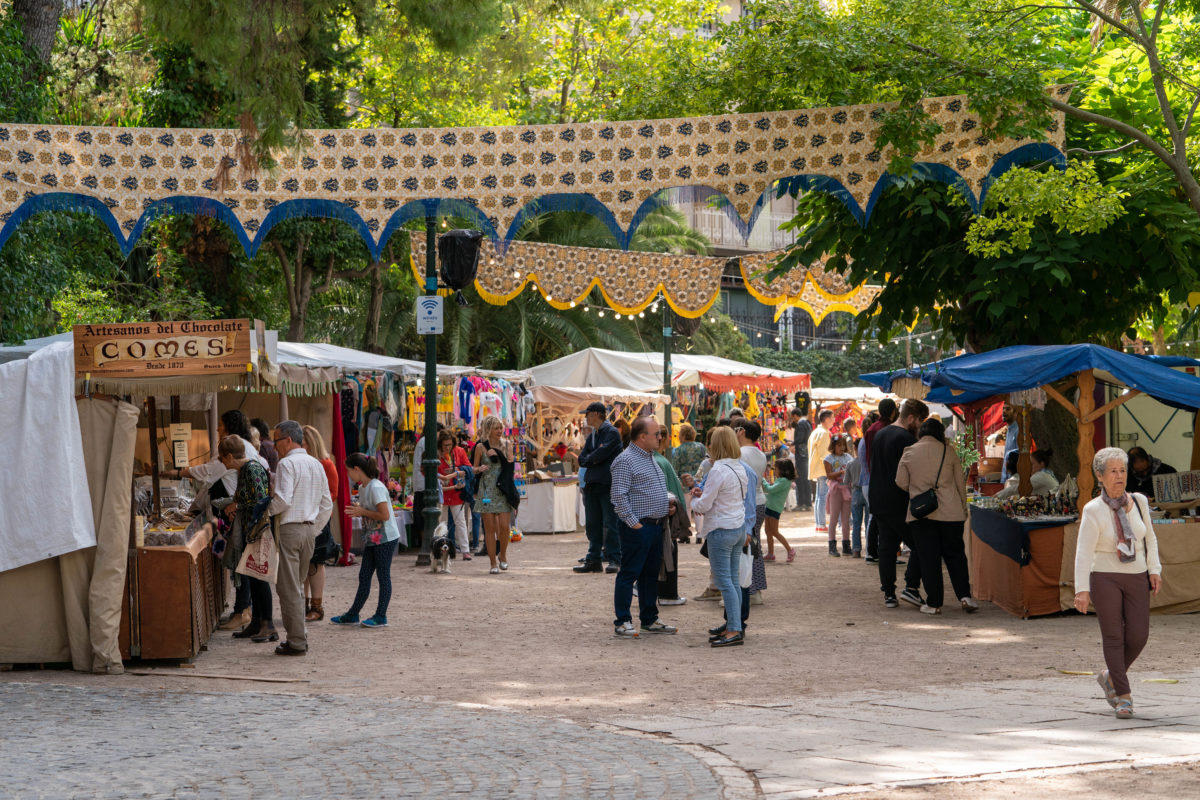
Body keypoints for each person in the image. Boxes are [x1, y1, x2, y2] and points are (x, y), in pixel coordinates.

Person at [1074, 447, 1163, 719]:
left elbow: (1150, 538)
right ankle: (1124, 697)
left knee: (1138, 635)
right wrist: (1082, 590)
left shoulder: (1139, 501)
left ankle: (1110, 676)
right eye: (1112, 471)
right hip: (1104, 577)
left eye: (1122, 470)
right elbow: (1083, 552)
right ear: (1100, 477)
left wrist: (1154, 569)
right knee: (1113, 637)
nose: (1119, 476)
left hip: (1136, 574)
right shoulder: (1093, 509)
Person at [167, 409, 267, 632]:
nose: (218, 428)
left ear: (230, 458)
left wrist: (172, 473)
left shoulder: (236, 451)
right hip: (239, 517)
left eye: (220, 425)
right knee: (242, 563)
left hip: (240, 520)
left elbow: (208, 472)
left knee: (242, 564)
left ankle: (246, 613)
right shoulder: (246, 449)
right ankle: (247, 612)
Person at [896, 418, 979, 615]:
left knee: (928, 558)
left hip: (921, 514)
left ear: (921, 433)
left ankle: (934, 603)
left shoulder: (909, 451)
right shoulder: (948, 451)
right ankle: (965, 596)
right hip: (951, 512)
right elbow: (960, 482)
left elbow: (900, 482)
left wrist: (917, 489)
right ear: (940, 433)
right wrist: (963, 508)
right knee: (956, 555)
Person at [268, 420, 333, 655]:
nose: (274, 447)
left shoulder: (287, 463)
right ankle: (299, 635)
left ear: (287, 440)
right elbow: (327, 503)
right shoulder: (316, 463)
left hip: (291, 529)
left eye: (276, 441)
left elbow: (283, 500)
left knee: (289, 588)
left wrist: (265, 510)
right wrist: (314, 528)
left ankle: (296, 641)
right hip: (308, 531)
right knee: (295, 586)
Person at [609, 416, 678, 638]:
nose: (660, 437)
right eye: (656, 434)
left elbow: (647, 491)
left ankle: (649, 618)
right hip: (639, 527)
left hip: (655, 526)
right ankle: (623, 620)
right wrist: (634, 524)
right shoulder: (625, 460)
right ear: (642, 437)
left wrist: (666, 506)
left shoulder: (651, 458)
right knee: (629, 573)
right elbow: (618, 496)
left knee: (649, 575)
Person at [688, 426, 750, 648]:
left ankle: (733, 629)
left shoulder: (718, 470)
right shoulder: (739, 467)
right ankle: (735, 625)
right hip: (737, 527)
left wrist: (694, 500)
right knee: (733, 580)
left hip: (721, 529)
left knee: (725, 581)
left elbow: (704, 505)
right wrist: (702, 494)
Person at [869, 399, 929, 609]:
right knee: (922, 544)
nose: (920, 427)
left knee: (886, 547)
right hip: (899, 500)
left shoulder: (881, 433)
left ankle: (889, 593)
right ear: (911, 417)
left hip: (878, 499)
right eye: (920, 421)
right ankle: (911, 587)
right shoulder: (906, 439)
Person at [216, 436, 276, 643]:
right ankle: (257, 622)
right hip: (250, 530)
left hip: (257, 531)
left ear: (230, 456)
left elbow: (261, 499)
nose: (221, 461)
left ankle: (268, 625)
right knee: (252, 576)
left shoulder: (251, 469)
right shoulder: (244, 470)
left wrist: (237, 507)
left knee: (259, 579)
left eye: (222, 457)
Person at [332, 453, 401, 628]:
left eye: (349, 471)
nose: (348, 475)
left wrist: (362, 512)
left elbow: (384, 515)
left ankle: (380, 616)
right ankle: (353, 614)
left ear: (357, 469)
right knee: (364, 576)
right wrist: (361, 509)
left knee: (382, 576)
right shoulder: (365, 487)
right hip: (374, 537)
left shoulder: (375, 487)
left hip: (385, 538)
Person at [575, 402, 623, 574]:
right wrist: (592, 459)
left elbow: (598, 455)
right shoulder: (594, 435)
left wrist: (592, 458)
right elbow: (583, 458)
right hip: (593, 484)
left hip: (607, 484)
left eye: (587, 414)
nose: (585, 417)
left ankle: (614, 559)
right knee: (592, 524)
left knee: (611, 523)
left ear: (595, 414)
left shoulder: (611, 433)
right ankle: (594, 559)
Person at [301, 425, 339, 622]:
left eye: (304, 443)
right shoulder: (303, 463)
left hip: (319, 519)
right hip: (304, 518)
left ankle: (317, 606)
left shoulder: (326, 464)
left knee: (316, 563)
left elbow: (332, 494)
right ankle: (304, 604)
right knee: (304, 563)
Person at [473, 415, 517, 575]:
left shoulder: (507, 444)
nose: (499, 431)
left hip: (503, 489)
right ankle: (492, 562)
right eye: (496, 428)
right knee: (490, 529)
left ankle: (503, 555)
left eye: (500, 428)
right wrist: (479, 469)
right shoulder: (480, 447)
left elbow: (511, 466)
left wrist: (499, 454)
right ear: (489, 429)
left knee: (505, 527)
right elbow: (473, 468)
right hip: (486, 489)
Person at [654, 428, 691, 606]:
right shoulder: (660, 461)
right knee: (669, 553)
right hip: (666, 513)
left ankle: (662, 592)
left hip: (657, 513)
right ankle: (668, 594)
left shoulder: (654, 460)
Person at [733, 419, 768, 604]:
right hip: (759, 502)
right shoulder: (760, 454)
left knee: (745, 548)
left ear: (741, 432)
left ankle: (749, 589)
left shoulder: (740, 453)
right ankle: (755, 588)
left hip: (747, 504)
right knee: (754, 546)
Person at [863, 400, 897, 564]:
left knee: (875, 517)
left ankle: (872, 552)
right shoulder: (892, 429)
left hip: (874, 478)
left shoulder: (871, 429)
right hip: (891, 479)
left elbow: (869, 456)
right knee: (890, 518)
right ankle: (889, 552)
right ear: (892, 412)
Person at [436, 430, 472, 560]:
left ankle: (465, 550)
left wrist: (456, 471)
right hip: (442, 493)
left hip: (456, 492)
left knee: (460, 521)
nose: (447, 447)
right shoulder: (436, 454)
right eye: (445, 445)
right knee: (442, 522)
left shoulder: (459, 451)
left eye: (449, 444)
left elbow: (468, 467)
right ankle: (440, 550)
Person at [849, 411, 878, 559]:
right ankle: (870, 551)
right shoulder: (868, 441)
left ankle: (860, 550)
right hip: (868, 484)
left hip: (860, 487)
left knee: (860, 522)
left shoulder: (862, 442)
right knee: (870, 520)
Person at [824, 435, 855, 557]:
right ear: (833, 446)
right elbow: (829, 475)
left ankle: (846, 545)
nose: (841, 447)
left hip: (846, 490)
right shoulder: (828, 459)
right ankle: (832, 546)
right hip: (835, 490)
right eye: (839, 445)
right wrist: (841, 472)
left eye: (843, 445)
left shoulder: (848, 457)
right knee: (834, 519)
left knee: (846, 519)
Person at [761, 460, 796, 562]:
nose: (774, 471)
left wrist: (762, 480)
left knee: (774, 532)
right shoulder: (781, 480)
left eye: (776, 469)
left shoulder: (784, 481)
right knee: (768, 531)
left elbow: (770, 489)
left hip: (774, 509)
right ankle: (771, 554)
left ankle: (790, 550)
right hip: (770, 507)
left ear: (783, 470)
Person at [808, 409, 834, 532]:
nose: (834, 420)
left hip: (818, 468)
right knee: (822, 497)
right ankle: (821, 524)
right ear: (827, 419)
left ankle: (820, 524)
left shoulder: (816, 432)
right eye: (832, 418)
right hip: (823, 469)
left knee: (819, 497)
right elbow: (824, 454)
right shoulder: (823, 433)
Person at [995, 449, 1059, 500]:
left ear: (1042, 464)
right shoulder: (1047, 474)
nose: (1028, 467)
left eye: (1032, 464)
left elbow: (1018, 488)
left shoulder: (1041, 476)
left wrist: (997, 496)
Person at [790, 408, 813, 511]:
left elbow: (800, 438)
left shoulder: (801, 424)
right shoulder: (806, 423)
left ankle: (803, 503)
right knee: (804, 478)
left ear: (795, 415)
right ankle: (806, 503)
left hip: (802, 455)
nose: (793, 419)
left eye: (793, 417)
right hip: (805, 454)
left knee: (801, 478)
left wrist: (792, 443)